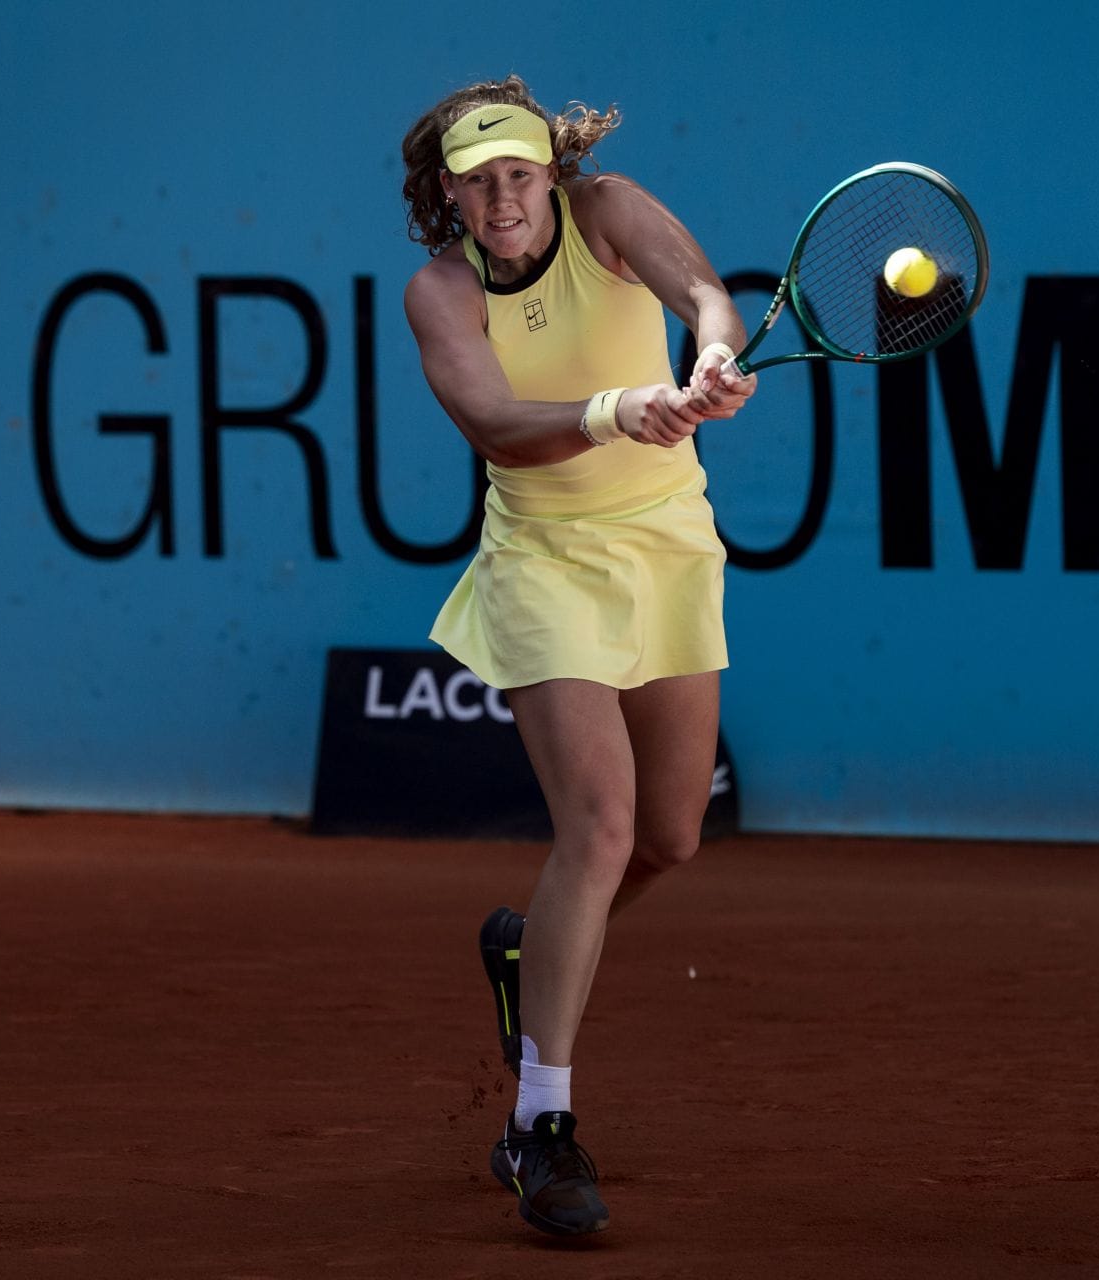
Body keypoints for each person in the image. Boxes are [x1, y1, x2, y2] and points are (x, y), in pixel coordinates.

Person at [399, 75, 755, 1237]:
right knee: (597, 827)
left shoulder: (606, 210)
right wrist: (616, 407)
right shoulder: (441, 291)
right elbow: (497, 423)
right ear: (447, 190)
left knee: (668, 837)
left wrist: (706, 360)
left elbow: (703, 292)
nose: (501, 199)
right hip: (544, 555)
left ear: (548, 171)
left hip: (664, 542)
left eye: (517, 173)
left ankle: (523, 949)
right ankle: (538, 1125)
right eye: (477, 181)